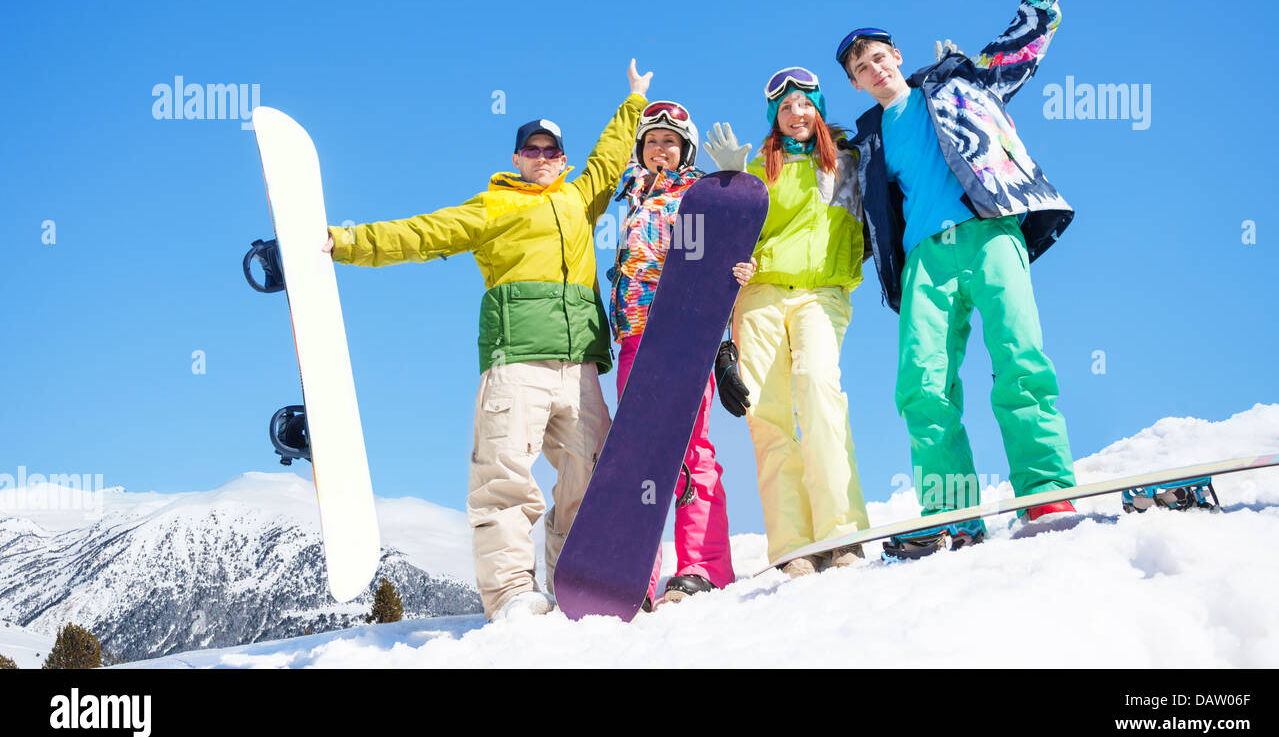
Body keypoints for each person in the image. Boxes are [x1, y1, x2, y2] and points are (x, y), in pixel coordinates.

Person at [324, 60, 652, 621]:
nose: (542, 157)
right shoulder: (493, 206)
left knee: (592, 478)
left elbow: (609, 157)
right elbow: (423, 233)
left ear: (563, 160)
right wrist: (343, 241)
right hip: (515, 362)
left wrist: (634, 100)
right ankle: (511, 595)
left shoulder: (579, 200)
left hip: (579, 368)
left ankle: (576, 581)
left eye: (552, 151)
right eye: (532, 149)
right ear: (516, 158)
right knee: (505, 477)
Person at [836, 0, 1078, 558]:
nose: (875, 70)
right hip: (924, 260)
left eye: (880, 58)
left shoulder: (957, 82)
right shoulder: (865, 143)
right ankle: (952, 513)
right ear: (856, 83)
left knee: (1019, 358)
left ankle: (1045, 491)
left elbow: (1027, 38)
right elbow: (825, 199)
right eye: (862, 69)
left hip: (990, 232)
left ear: (897, 57)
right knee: (922, 385)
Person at [705, 68, 871, 576]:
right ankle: (792, 544)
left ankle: (841, 532)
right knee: (766, 412)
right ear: (774, 118)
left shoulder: (849, 161)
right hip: (761, 293)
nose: (796, 113)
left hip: (822, 291)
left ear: (818, 109)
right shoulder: (760, 168)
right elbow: (730, 239)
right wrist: (731, 187)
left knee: (818, 388)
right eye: (785, 108)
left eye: (804, 104)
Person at [606, 100, 751, 607]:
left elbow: (734, 241)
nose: (660, 149)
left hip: (682, 334)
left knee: (689, 450)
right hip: (633, 336)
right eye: (651, 141)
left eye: (670, 141)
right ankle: (635, 573)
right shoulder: (632, 194)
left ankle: (703, 567)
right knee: (637, 453)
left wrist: (733, 182)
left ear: (685, 150)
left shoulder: (696, 194)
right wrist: (631, 100)